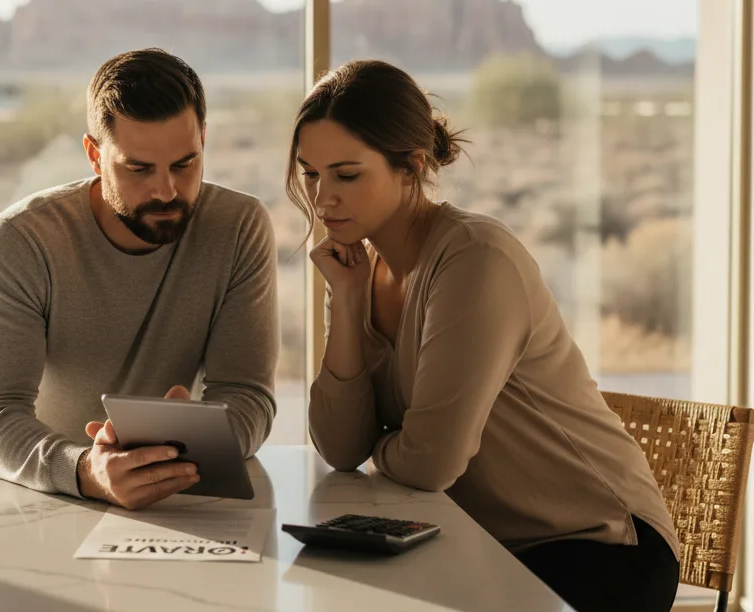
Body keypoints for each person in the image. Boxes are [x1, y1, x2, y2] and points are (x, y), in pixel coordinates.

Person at [291, 59, 680, 612]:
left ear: (410, 168)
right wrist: (349, 301)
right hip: (478, 544)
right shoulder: (358, 268)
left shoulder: (475, 259)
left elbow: (431, 463)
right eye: (311, 173)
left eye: (346, 174)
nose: (322, 197)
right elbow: (339, 447)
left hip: (596, 546)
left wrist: (392, 448)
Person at [0, 48, 279, 511]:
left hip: (177, 496)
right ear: (94, 154)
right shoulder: (21, 240)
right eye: (139, 168)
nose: (167, 190)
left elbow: (248, 393)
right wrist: (86, 470)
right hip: (43, 500)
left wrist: (197, 436)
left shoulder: (239, 226)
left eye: (185, 164)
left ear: (204, 141)